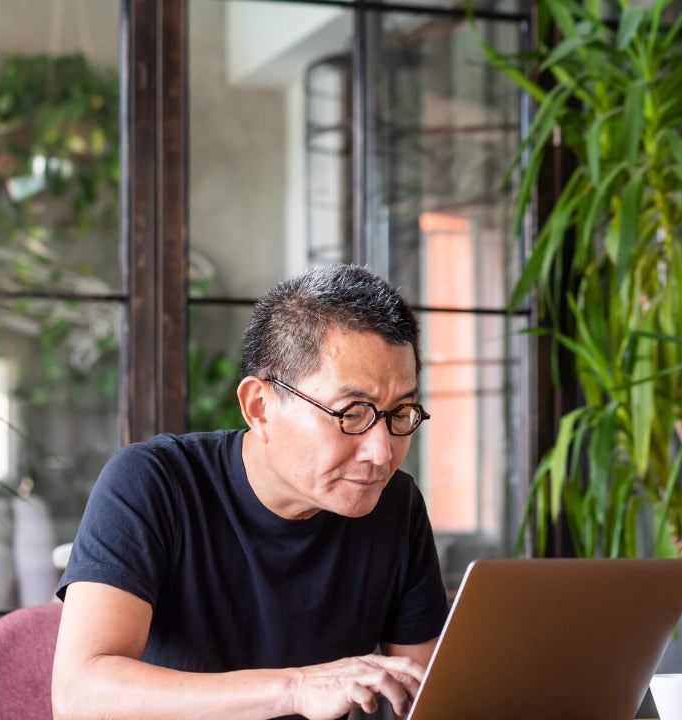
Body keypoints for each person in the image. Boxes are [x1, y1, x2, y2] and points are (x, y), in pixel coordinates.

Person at [52, 264, 449, 720]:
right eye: (353, 413)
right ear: (260, 407)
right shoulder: (153, 484)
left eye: (401, 413)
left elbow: (424, 698)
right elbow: (79, 694)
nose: (381, 453)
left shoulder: (395, 505)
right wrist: (296, 688)